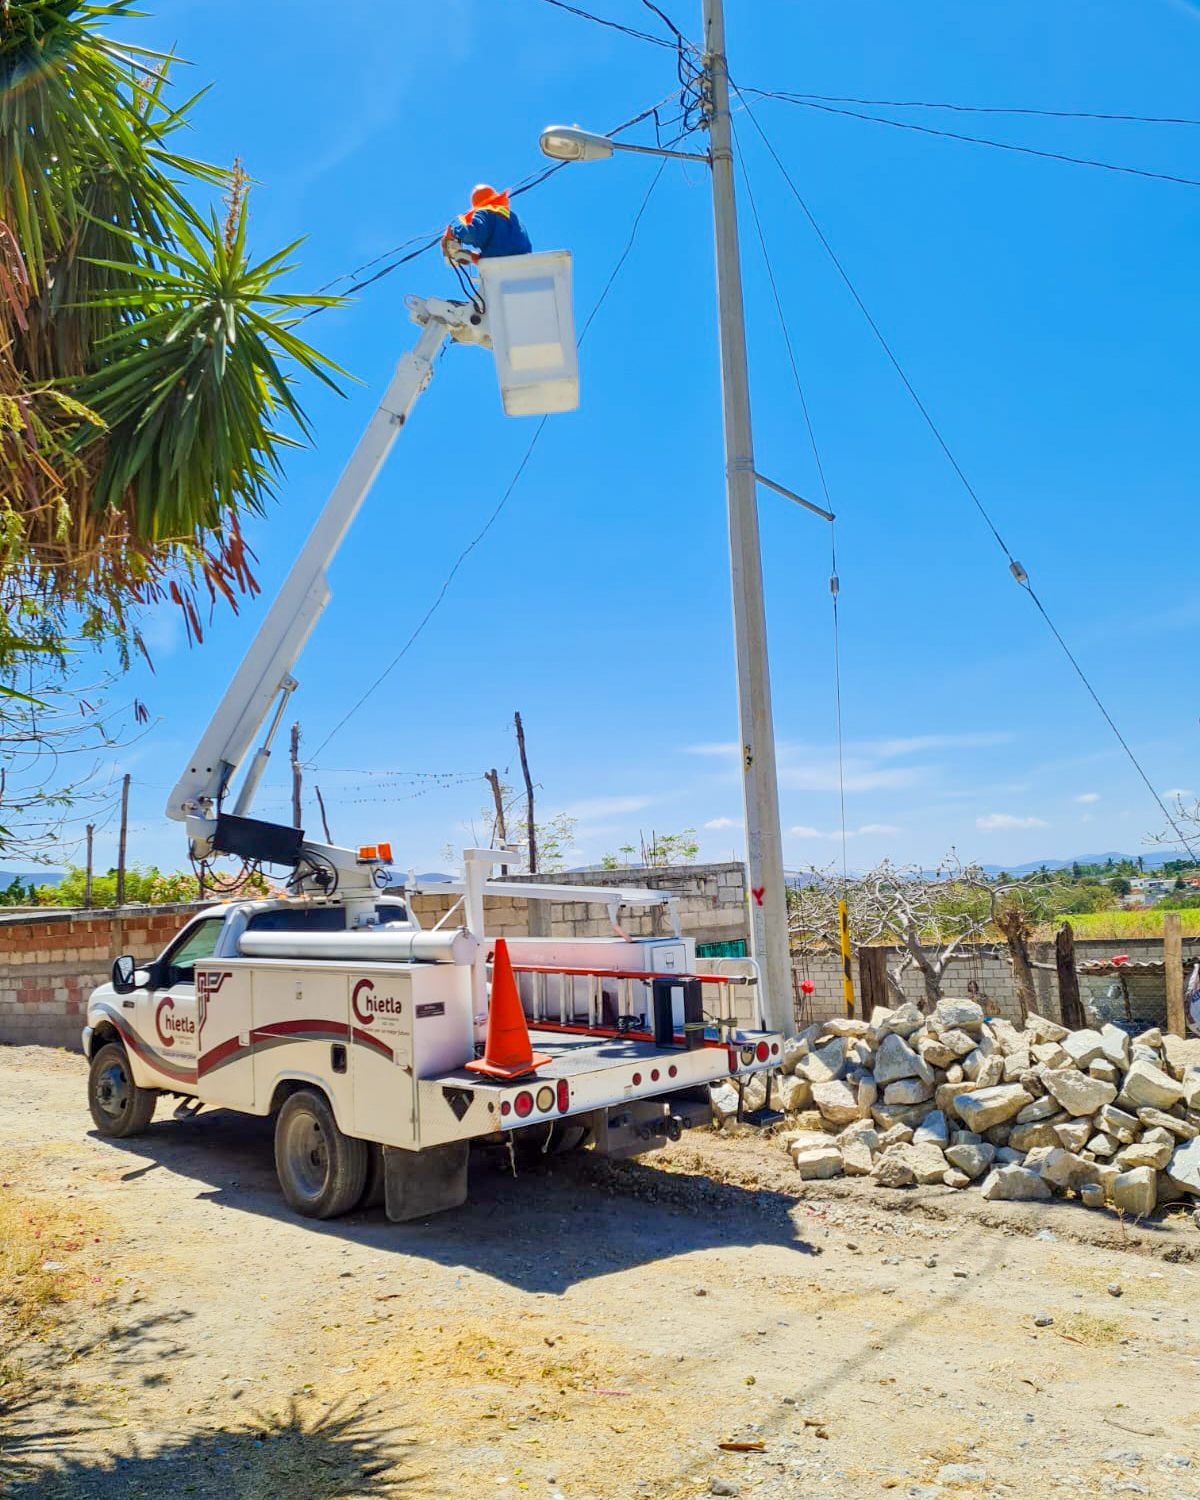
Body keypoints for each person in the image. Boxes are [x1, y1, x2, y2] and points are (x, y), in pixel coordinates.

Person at [442, 184, 532, 266]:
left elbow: (472, 234)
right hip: (525, 269)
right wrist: (471, 256)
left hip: (502, 274)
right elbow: (502, 252)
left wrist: (453, 233)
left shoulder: (485, 212)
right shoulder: (515, 219)